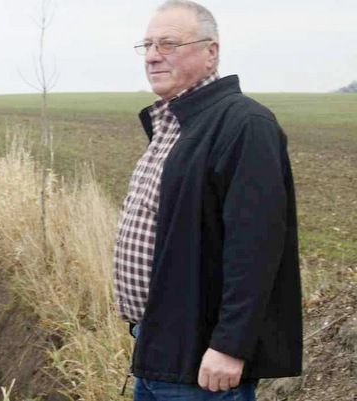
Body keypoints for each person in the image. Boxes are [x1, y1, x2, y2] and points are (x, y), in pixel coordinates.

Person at [113, 1, 303, 400]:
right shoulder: (174, 121)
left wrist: (230, 346)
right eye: (146, 45)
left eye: (168, 43)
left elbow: (255, 249)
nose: (152, 56)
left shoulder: (243, 125)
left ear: (210, 51)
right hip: (155, 346)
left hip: (202, 363)